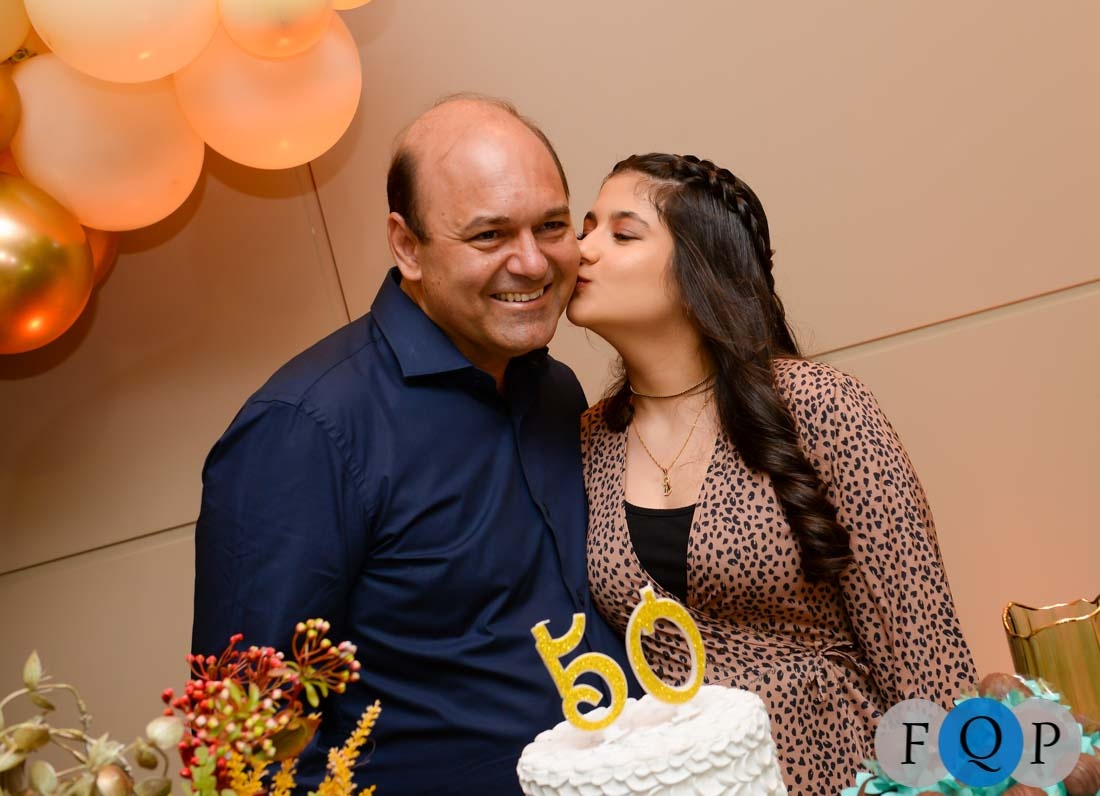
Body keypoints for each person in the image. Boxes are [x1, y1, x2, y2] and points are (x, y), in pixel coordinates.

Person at [191, 95, 632, 795]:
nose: (532, 262)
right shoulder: (305, 430)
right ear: (407, 246)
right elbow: (243, 735)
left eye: (551, 225)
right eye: (489, 235)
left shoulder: (553, 388)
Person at [568, 152, 977, 795]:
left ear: (699, 269)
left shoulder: (820, 406)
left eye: (622, 234)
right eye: (585, 227)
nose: (580, 249)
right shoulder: (589, 440)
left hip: (844, 771)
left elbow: (922, 650)